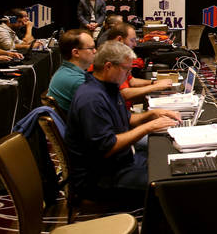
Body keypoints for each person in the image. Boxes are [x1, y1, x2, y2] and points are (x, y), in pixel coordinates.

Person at [65, 41, 180, 202]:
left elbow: (126, 119)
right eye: (126, 69)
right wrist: (149, 127)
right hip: (100, 178)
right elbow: (108, 147)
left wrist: (151, 114)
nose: (129, 74)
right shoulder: (91, 99)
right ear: (108, 66)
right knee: (172, 185)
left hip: (121, 163)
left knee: (169, 163)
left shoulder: (107, 87)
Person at [99, 24, 174, 103]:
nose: (135, 44)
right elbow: (123, 93)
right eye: (132, 40)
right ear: (119, 39)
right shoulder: (110, 58)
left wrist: (154, 83)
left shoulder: (118, 56)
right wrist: (155, 87)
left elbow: (131, 81)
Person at [47, 29, 96, 112]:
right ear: (76, 53)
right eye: (91, 48)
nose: (95, 51)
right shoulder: (78, 81)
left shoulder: (66, 70)